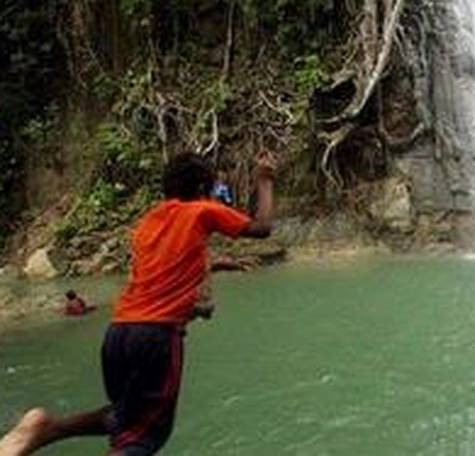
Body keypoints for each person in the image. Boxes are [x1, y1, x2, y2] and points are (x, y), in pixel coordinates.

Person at [0, 150, 275, 456]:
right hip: (155, 337)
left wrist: (198, 300)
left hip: (118, 333)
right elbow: (262, 228)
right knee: (145, 437)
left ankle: (48, 428)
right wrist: (264, 180)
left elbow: (157, 284)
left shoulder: (147, 224)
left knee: (125, 417)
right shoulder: (201, 210)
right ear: (202, 188)